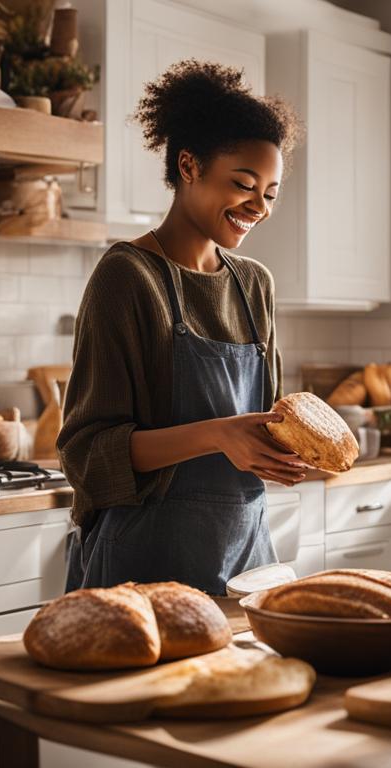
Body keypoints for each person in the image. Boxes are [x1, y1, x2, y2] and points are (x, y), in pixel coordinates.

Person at [58, 60, 305, 595]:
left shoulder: (254, 284)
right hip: (144, 561)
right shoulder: (126, 276)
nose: (257, 207)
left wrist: (288, 448)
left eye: (270, 193)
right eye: (243, 184)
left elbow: (266, 423)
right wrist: (218, 436)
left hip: (248, 562)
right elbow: (87, 455)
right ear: (189, 166)